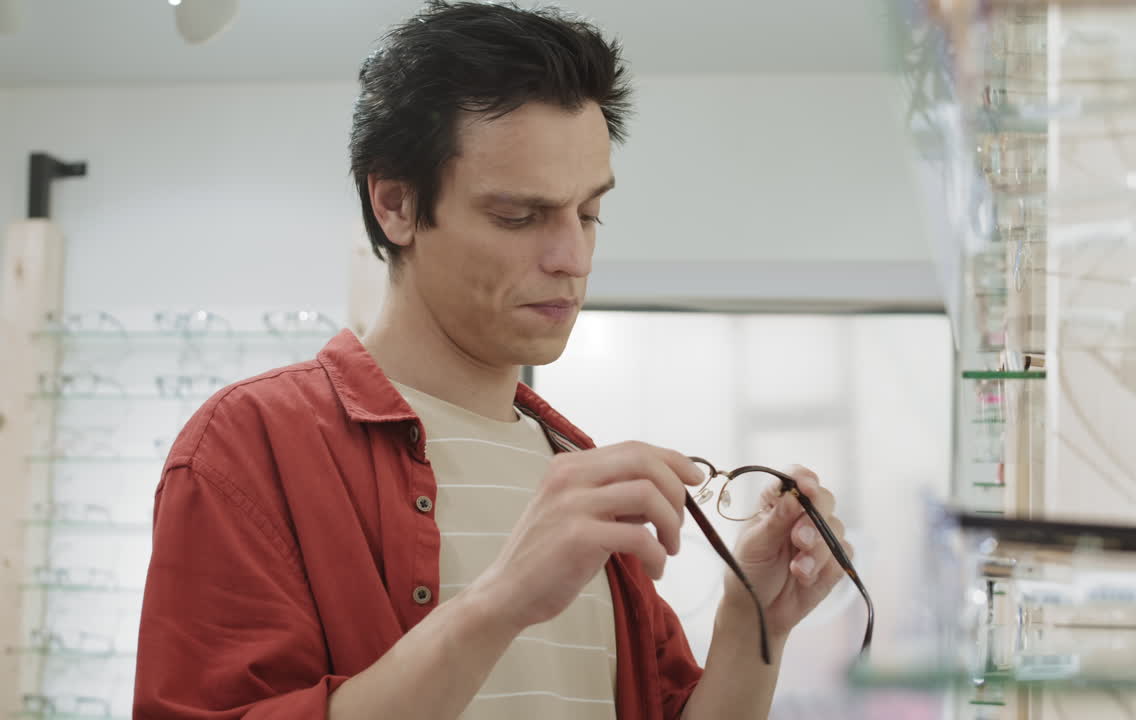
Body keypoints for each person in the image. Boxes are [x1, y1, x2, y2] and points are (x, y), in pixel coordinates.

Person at [133, 2, 853, 719]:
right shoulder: (249, 448)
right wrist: (498, 604)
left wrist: (754, 621)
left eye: (590, 213)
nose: (573, 258)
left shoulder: (570, 464)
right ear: (396, 205)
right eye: (519, 216)